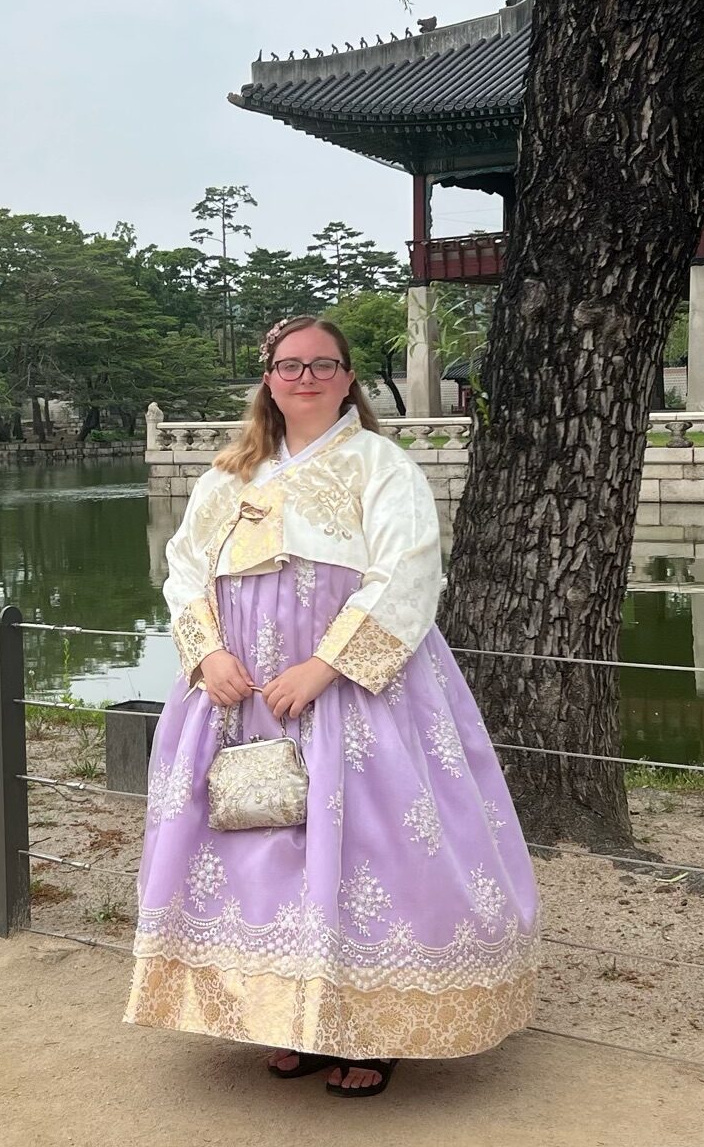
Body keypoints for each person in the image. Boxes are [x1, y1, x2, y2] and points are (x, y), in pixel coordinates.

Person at [124, 316, 540, 1097]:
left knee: (363, 846)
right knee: (260, 842)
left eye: (323, 365)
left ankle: (370, 1027)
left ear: (348, 378)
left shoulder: (379, 465)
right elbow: (183, 570)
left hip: (350, 690)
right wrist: (208, 654)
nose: (305, 378)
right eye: (290, 365)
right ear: (269, 378)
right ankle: (288, 1016)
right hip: (240, 690)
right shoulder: (228, 475)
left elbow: (409, 572)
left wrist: (324, 667)